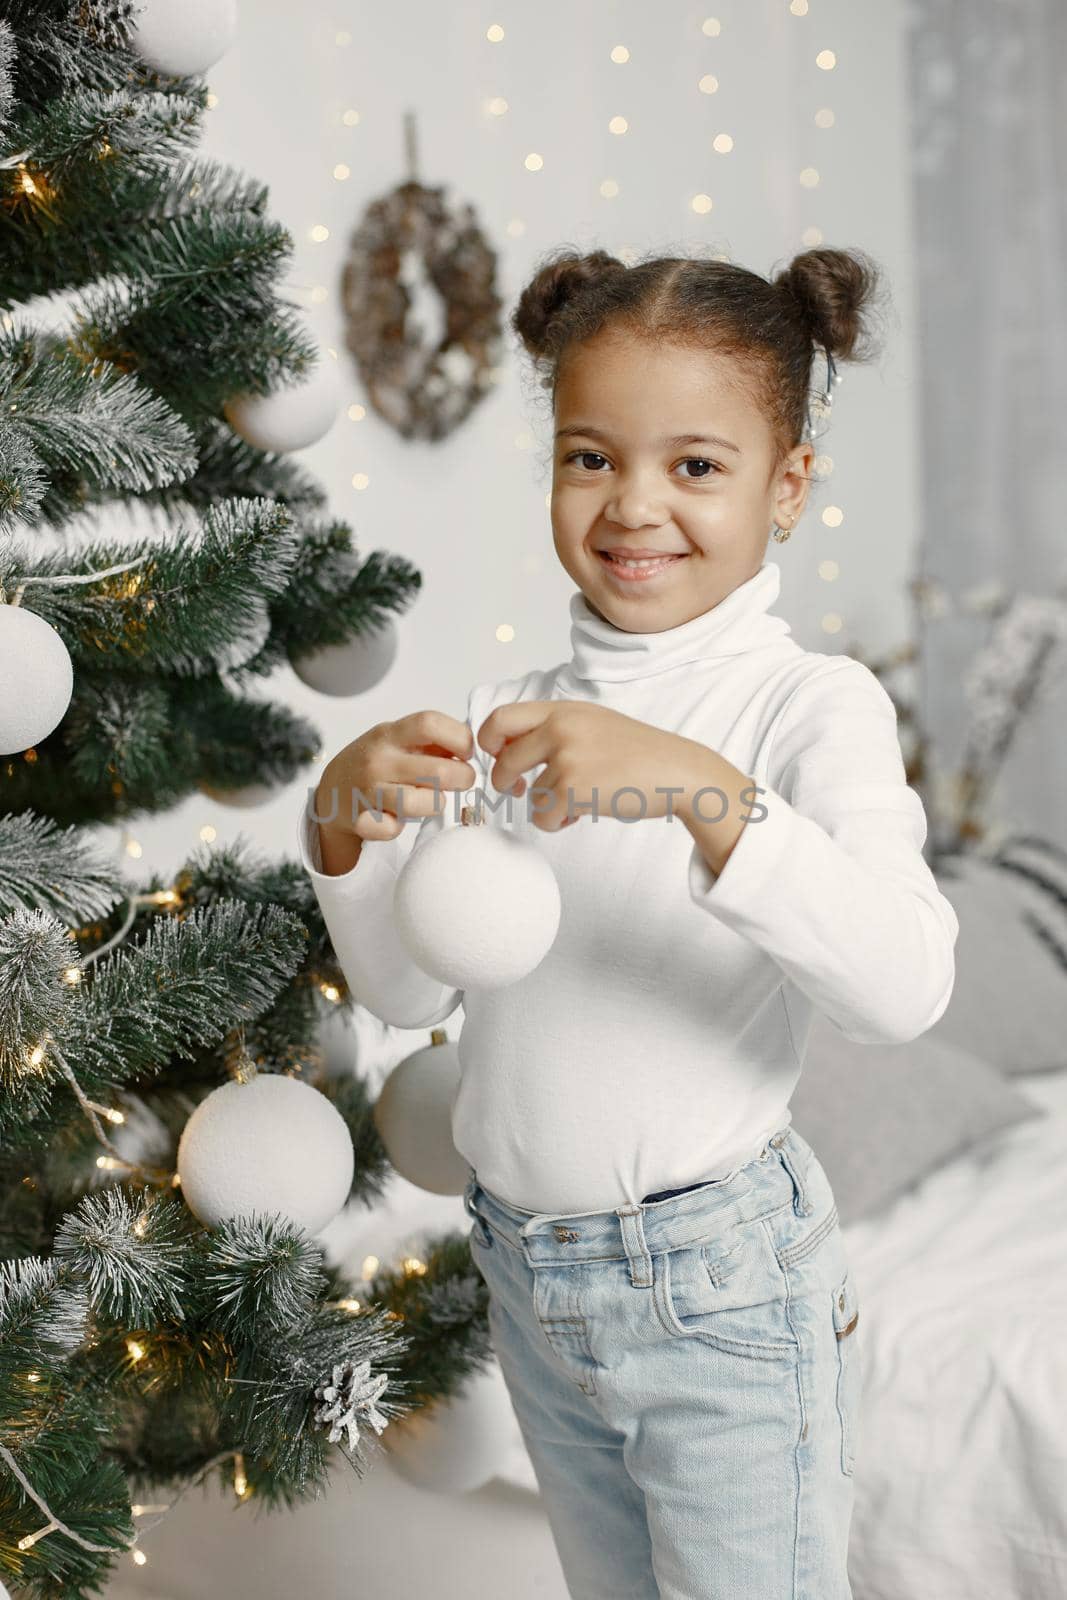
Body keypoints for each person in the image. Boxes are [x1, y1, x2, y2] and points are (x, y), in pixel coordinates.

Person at [297, 246, 959, 1599]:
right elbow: (416, 1001)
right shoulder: (506, 709)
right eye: (590, 457)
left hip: (716, 1284)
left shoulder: (805, 707)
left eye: (696, 467)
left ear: (788, 488)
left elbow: (904, 989)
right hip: (531, 1274)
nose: (634, 506)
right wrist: (344, 838)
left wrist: (696, 789)